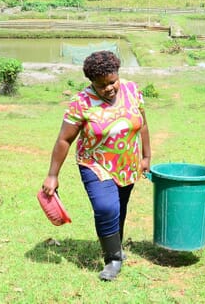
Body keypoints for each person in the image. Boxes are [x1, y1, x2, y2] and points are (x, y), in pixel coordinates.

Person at [41, 50, 151, 281]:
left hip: (127, 163)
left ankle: (116, 246)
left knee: (119, 208)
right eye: (101, 85)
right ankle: (112, 259)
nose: (109, 88)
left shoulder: (132, 90)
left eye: (112, 82)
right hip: (94, 163)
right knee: (106, 208)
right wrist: (52, 175)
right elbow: (64, 139)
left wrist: (146, 157)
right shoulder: (81, 103)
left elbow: (141, 124)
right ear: (91, 83)